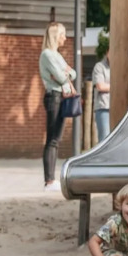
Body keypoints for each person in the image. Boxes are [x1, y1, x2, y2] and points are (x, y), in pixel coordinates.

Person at [38, 22, 77, 189]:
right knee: (52, 139)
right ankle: (49, 180)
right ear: (55, 36)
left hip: (62, 97)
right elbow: (62, 78)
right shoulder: (47, 55)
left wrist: (64, 73)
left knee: (57, 139)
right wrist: (64, 73)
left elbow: (72, 74)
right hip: (54, 97)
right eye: (62, 34)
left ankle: (51, 179)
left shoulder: (57, 55)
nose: (65, 38)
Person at [90, 45, 111, 147]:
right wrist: (117, 87)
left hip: (118, 108)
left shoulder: (120, 65)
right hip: (104, 108)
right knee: (104, 139)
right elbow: (100, 86)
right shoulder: (99, 66)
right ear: (107, 52)